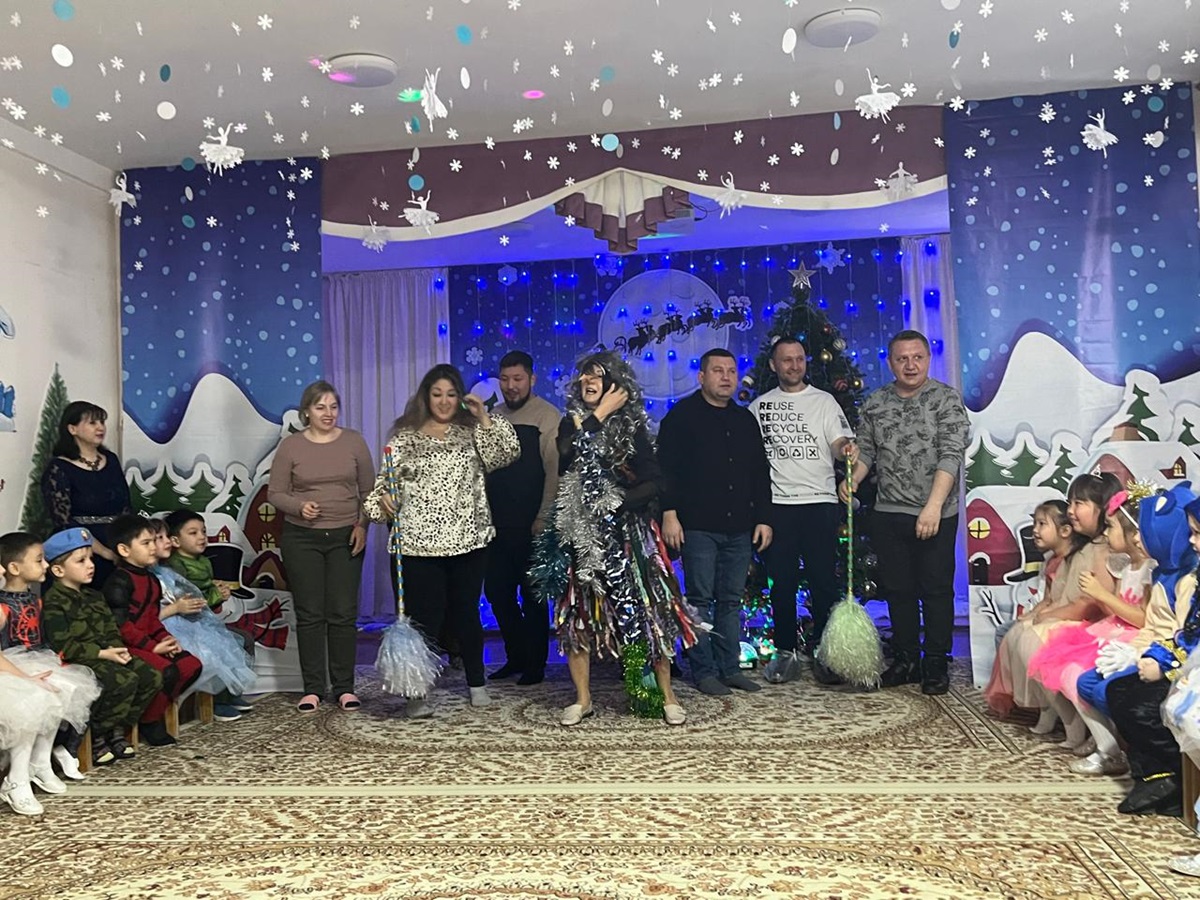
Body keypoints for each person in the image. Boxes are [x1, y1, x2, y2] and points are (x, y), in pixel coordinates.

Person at [538, 351, 698, 727]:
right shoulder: (572, 422)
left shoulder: (633, 426)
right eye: (583, 376)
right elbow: (567, 459)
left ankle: (665, 695)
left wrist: (617, 502)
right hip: (584, 534)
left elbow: (655, 480)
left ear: (613, 382)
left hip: (630, 533)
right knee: (578, 614)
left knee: (648, 610)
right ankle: (583, 699)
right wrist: (598, 416)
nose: (587, 381)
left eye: (595, 375)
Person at [364, 364, 519, 717]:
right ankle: (416, 691)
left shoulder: (472, 432)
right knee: (424, 618)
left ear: (460, 397)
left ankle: (477, 683)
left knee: (467, 613)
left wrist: (483, 417)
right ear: (426, 397)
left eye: (451, 394)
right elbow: (378, 495)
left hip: (468, 540)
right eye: (437, 394)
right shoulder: (403, 439)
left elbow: (506, 454)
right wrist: (383, 502)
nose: (444, 401)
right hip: (417, 545)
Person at [841, 330, 970, 695]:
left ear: (928, 359)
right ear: (891, 362)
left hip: (935, 512)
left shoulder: (946, 399)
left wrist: (933, 507)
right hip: (888, 511)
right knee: (898, 591)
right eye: (902, 359)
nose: (910, 365)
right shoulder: (876, 402)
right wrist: (853, 479)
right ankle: (906, 659)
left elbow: (951, 455)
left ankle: (935, 662)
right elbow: (867, 451)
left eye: (917, 357)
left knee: (936, 590)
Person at [658, 347, 772, 696]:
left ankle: (730, 668)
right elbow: (665, 471)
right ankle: (704, 670)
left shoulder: (744, 420)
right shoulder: (681, 417)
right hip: (697, 526)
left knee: (731, 600)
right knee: (700, 600)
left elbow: (760, 473)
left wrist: (764, 519)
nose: (726, 377)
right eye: (718, 371)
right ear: (702, 376)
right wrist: (669, 513)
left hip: (740, 526)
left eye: (731, 371)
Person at [986, 473, 1118, 751]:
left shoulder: (1103, 550)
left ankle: (1079, 725)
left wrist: (1050, 617)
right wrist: (1043, 614)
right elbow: (1058, 596)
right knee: (1019, 634)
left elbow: (1091, 604)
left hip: (1095, 626)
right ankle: (1056, 712)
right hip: (1078, 619)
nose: (1071, 510)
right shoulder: (1084, 550)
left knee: (1035, 640)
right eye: (1071, 503)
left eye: (1079, 503)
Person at [750, 337, 855, 685]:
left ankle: (825, 651)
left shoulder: (824, 402)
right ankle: (785, 651)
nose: (794, 366)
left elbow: (838, 443)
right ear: (773, 365)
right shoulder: (759, 407)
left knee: (824, 582)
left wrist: (845, 449)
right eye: (786, 360)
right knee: (781, 584)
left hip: (819, 503)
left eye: (799, 359)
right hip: (779, 507)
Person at [1028, 488, 1152, 777]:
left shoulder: (1149, 570)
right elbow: (1115, 608)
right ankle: (1104, 742)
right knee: (1067, 671)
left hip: (1133, 637)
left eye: (1111, 527)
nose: (1106, 534)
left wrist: (1101, 595)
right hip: (1114, 630)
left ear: (1133, 534)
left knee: (1078, 674)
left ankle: (1110, 748)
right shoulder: (1126, 565)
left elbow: (1142, 618)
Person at [268, 380, 375, 714]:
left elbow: (369, 492)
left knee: (343, 613)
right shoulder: (291, 447)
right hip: (302, 539)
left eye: (333, 406)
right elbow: (275, 493)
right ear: (306, 412)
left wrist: (362, 526)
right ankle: (313, 688)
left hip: (346, 536)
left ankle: (344, 688)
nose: (328, 413)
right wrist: (299, 506)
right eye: (320, 407)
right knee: (310, 613)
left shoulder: (354, 441)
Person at [1102, 486, 1199, 816]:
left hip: (1189, 671)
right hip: (1181, 663)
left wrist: (1164, 663)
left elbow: (1189, 638)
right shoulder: (1178, 575)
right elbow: (1185, 633)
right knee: (1118, 690)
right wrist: (1150, 656)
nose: (1192, 541)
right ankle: (1154, 775)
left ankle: (1172, 775)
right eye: (1190, 533)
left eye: (1196, 534)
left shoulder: (1189, 581)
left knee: (1144, 708)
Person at [42, 528, 161, 767]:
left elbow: (111, 631)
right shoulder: (55, 602)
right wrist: (104, 654)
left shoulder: (94, 596)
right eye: (81, 561)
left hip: (107, 654)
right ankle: (97, 735)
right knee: (123, 680)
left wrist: (117, 649)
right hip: (79, 659)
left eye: (91, 559)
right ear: (58, 570)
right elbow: (63, 646)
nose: (90, 565)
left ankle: (116, 729)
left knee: (151, 676)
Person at [0, 532, 101, 815]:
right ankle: (16, 779)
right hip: (10, 668)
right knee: (32, 700)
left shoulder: (35, 601)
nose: (45, 565)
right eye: (39, 560)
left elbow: (38, 640)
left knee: (66, 687)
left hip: (31, 661)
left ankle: (40, 762)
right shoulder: (3, 607)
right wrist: (25, 678)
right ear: (15, 568)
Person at [483, 351, 561, 686]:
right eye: (505, 379)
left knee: (533, 598)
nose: (511, 386)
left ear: (532, 379)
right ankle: (515, 656)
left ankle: (535, 663)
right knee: (497, 593)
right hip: (495, 526)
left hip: (532, 524)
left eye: (517, 379)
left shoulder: (547, 416)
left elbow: (554, 472)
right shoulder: (493, 417)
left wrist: (544, 515)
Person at [102, 514, 205, 746]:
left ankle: (152, 713)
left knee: (190, 665)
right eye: (146, 543)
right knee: (167, 671)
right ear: (124, 550)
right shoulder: (119, 582)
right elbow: (120, 626)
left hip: (147, 643)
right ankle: (146, 721)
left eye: (153, 541)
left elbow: (151, 619)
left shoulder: (151, 580)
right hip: (124, 646)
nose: (153, 547)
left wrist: (165, 639)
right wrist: (152, 647)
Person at [153, 516, 256, 722]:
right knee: (213, 649)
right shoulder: (173, 568)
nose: (201, 537)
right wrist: (214, 595)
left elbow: (199, 600)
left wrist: (218, 594)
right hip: (176, 627)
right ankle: (218, 702)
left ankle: (230, 694)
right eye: (193, 533)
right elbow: (187, 601)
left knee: (240, 640)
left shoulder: (199, 563)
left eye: (203, 531)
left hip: (196, 621)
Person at [983, 500, 1074, 724]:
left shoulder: (1073, 560)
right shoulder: (1051, 560)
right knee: (1006, 631)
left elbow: (1069, 601)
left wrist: (1041, 617)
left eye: (1042, 524)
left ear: (1065, 531)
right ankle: (1022, 697)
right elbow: (1048, 599)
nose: (1035, 530)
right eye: (1034, 524)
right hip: (1050, 613)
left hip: (1065, 619)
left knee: (1022, 636)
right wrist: (1032, 614)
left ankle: (1042, 703)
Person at [40, 401, 133, 586]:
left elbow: (126, 506)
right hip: (80, 550)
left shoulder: (111, 460)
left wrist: (127, 545)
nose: (100, 428)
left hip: (117, 544)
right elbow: (64, 522)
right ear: (72, 429)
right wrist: (104, 552)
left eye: (102, 422)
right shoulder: (59, 468)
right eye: (92, 423)